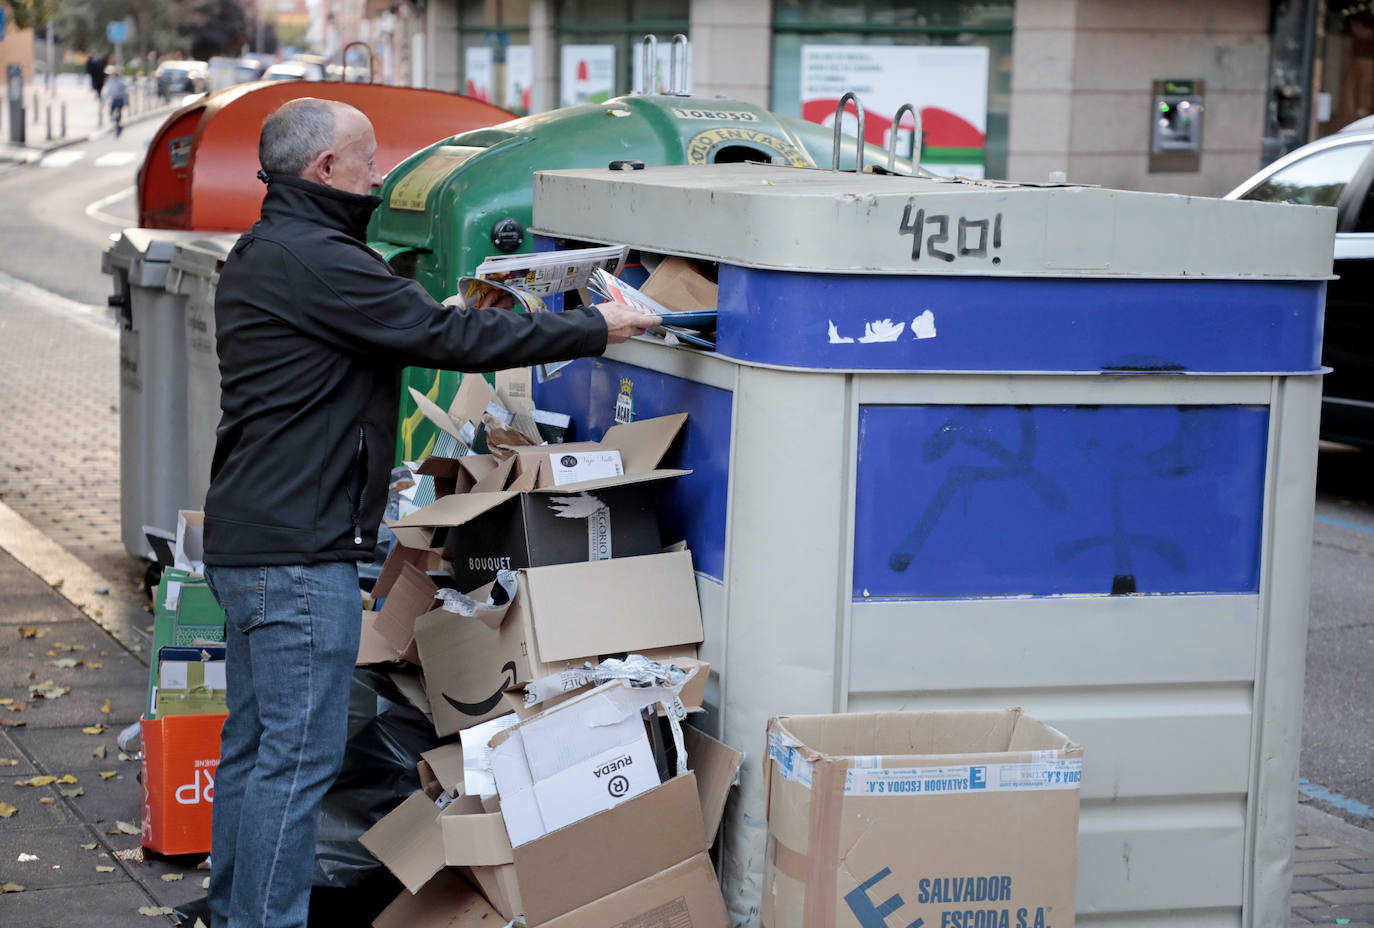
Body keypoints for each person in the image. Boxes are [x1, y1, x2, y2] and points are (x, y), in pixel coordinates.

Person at [200, 98, 659, 928]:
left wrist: (453, 317)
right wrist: (598, 324)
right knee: (293, 766)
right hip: (297, 557)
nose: (377, 175)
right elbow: (442, 343)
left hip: (254, 541)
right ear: (324, 169)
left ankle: (236, 914)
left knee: (256, 756)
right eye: (365, 160)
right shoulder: (317, 257)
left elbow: (406, 327)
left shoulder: (277, 248)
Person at [103, 68, 128, 135]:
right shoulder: (111, 82)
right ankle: (116, 123)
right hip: (114, 99)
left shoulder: (121, 83)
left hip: (120, 99)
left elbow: (125, 93)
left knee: (119, 111)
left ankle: (118, 123)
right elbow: (109, 92)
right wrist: (104, 100)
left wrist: (126, 102)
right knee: (111, 111)